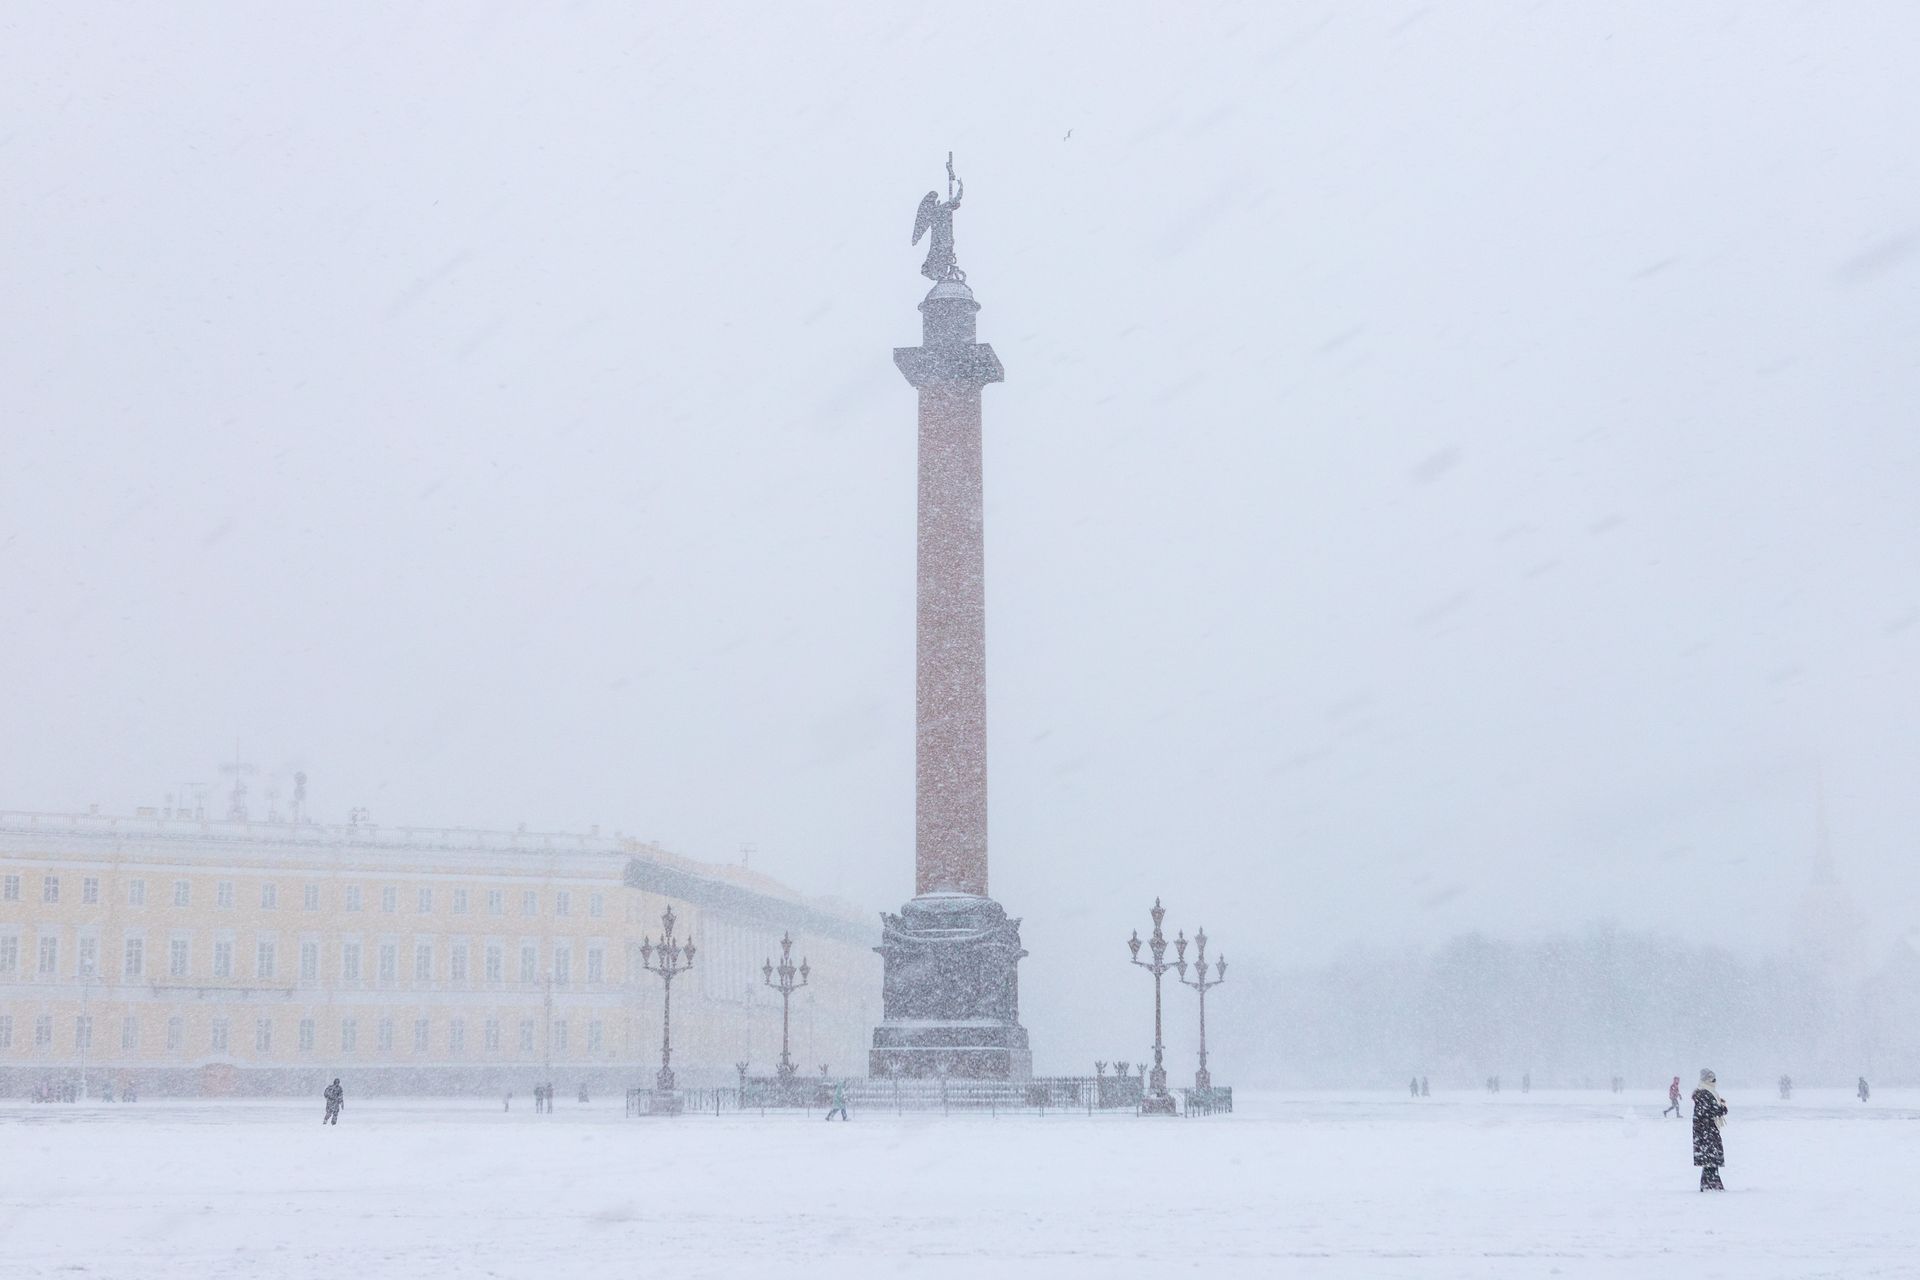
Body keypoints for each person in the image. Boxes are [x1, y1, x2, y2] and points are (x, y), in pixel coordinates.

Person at [1692, 1069, 1727, 1190]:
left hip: (1706, 1131)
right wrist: (1722, 1107)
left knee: (1710, 1160)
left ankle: (1710, 1184)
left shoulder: (1706, 1092)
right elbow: (1711, 1110)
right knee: (1710, 1159)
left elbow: (1709, 1109)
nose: (1714, 1081)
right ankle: (1711, 1185)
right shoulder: (1705, 1093)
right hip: (1707, 1131)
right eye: (1712, 1079)